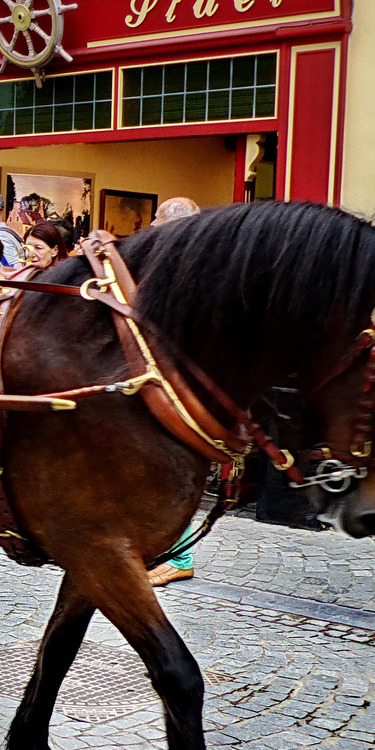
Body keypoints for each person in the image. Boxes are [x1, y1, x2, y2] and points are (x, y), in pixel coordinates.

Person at [144, 196, 204, 587]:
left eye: (157, 220)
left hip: (177, 380)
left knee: (167, 463)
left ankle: (180, 556)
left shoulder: (189, 266)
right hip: (171, 376)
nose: (150, 226)